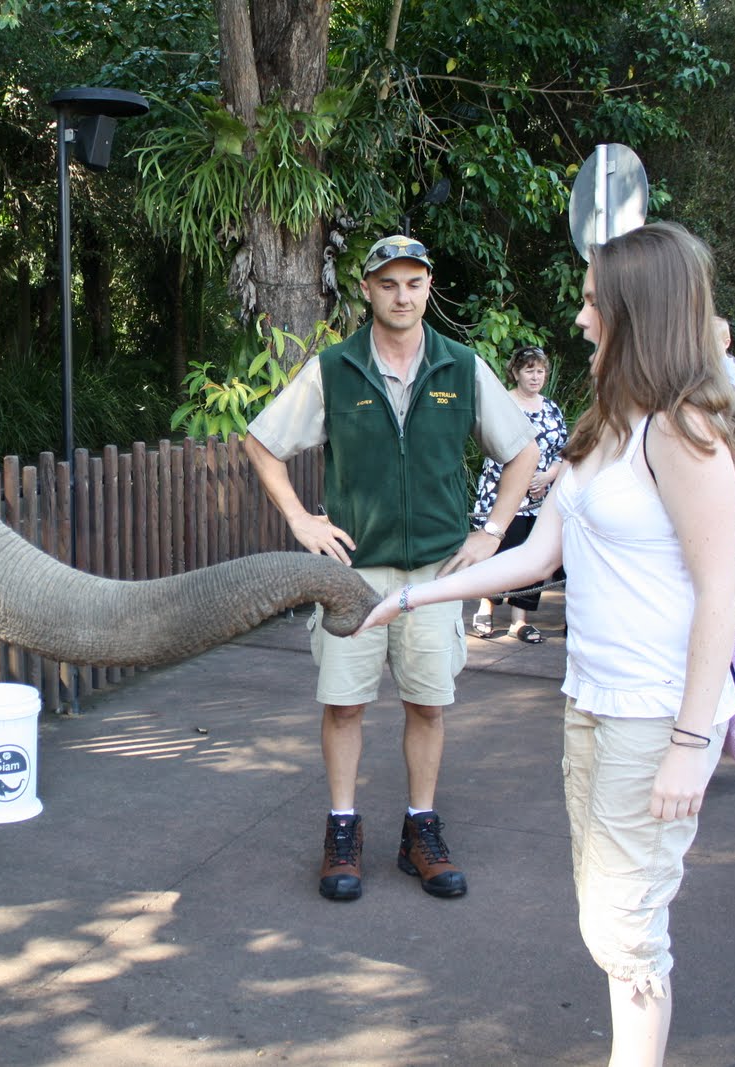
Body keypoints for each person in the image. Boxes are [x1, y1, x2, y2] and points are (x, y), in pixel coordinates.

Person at [357, 221, 735, 1066]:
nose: (577, 318)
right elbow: (534, 555)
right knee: (605, 913)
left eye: (591, 302)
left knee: (627, 924)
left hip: (657, 716)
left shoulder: (685, 432)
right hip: (594, 704)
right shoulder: (610, 423)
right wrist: (416, 596)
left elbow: (725, 589)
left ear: (635, 313)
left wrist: (687, 742)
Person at [244, 234, 539, 902]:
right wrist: (300, 519)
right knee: (345, 705)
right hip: (355, 575)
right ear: (368, 289)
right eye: (388, 283)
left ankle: (419, 830)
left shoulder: (462, 366)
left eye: (413, 283)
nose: (402, 296)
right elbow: (262, 442)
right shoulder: (335, 368)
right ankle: (343, 829)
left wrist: (492, 531)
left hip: (436, 574)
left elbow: (520, 451)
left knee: (427, 703)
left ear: (428, 287)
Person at [470, 345, 569, 643]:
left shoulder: (551, 408)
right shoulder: (504, 403)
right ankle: (485, 608)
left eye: (540, 370)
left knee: (532, 553)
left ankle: (519, 620)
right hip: (504, 491)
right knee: (500, 551)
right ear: (515, 372)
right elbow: (489, 442)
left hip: (540, 497)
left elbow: (564, 450)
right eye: (529, 370)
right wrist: (522, 474)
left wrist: (550, 475)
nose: (535, 376)